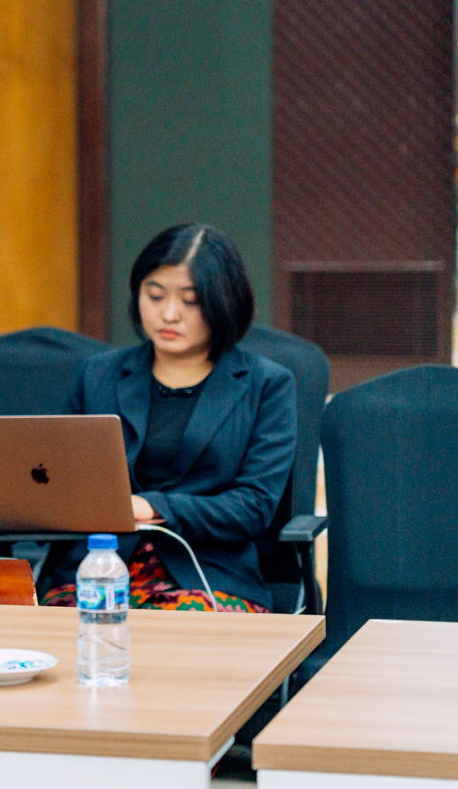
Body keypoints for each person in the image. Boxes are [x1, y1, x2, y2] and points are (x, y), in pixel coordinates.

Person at [40, 224, 296, 612]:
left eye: (190, 301)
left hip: (207, 576)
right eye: (155, 296)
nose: (169, 314)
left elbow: (254, 506)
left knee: (175, 634)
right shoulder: (99, 375)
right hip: (98, 566)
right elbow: (59, 480)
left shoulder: (266, 385)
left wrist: (152, 506)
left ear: (225, 303)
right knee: (48, 632)